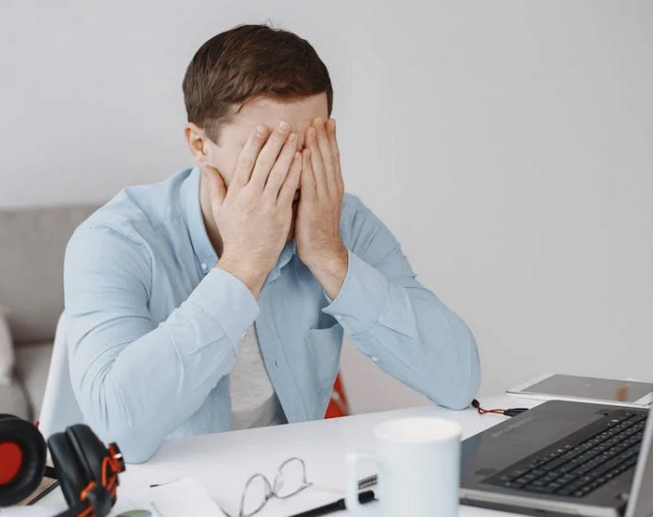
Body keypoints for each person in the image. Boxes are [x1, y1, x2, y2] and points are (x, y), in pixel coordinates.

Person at [64, 24, 480, 463]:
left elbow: (457, 381)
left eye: (307, 147)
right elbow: (117, 435)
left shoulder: (341, 221)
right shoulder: (115, 239)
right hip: (141, 500)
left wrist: (328, 256)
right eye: (265, 151)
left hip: (284, 485)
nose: (289, 174)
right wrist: (243, 266)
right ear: (199, 145)